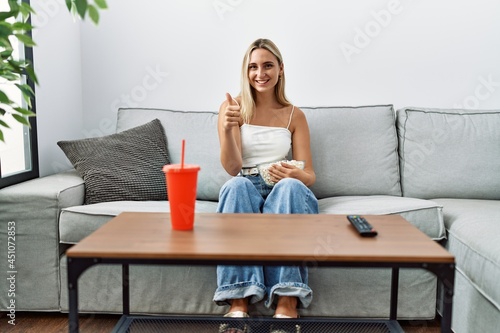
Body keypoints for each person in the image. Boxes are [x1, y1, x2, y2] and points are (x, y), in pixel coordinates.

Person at [213, 38, 319, 332]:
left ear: (281, 69)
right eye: (253, 67)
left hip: (285, 190)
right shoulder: (232, 108)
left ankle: (287, 303)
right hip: (246, 185)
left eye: (268, 65)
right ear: (246, 72)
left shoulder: (295, 115)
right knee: (235, 187)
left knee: (290, 188)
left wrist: (293, 175)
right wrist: (227, 127)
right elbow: (233, 168)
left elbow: (309, 174)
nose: (261, 73)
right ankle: (238, 304)